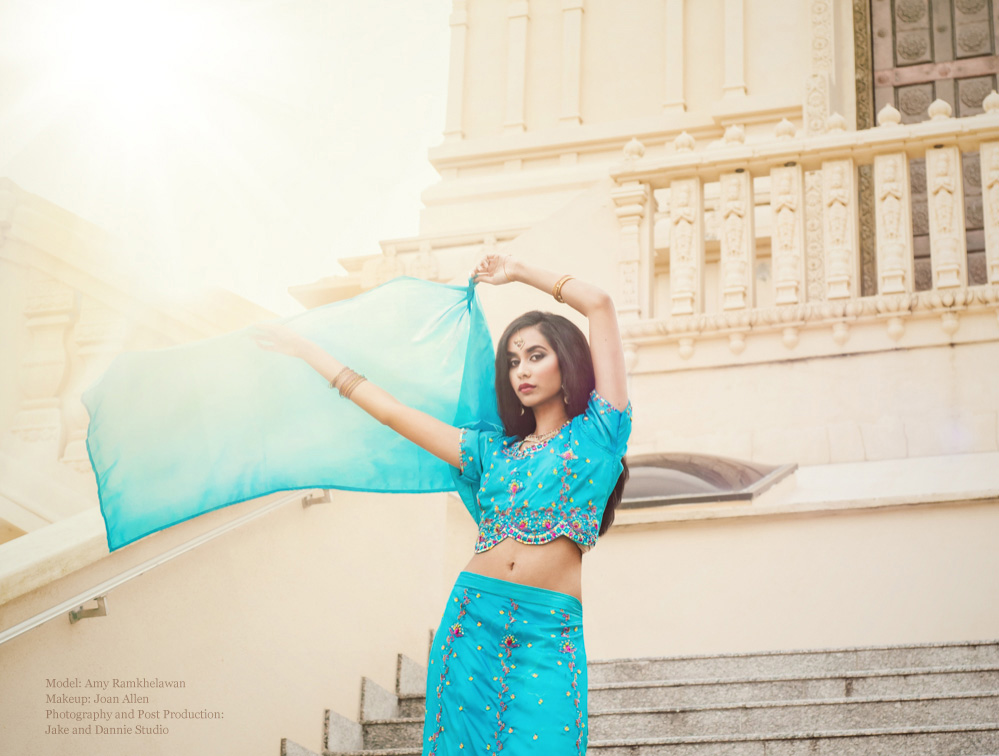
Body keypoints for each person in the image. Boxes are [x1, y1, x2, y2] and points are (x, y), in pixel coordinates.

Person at [251, 253, 632, 755]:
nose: (522, 369)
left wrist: (517, 272)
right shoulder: (491, 451)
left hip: (549, 630)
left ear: (567, 359)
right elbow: (391, 412)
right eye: (513, 361)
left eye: (536, 355)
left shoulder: (600, 434)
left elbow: (600, 304)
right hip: (472, 616)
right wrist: (306, 351)